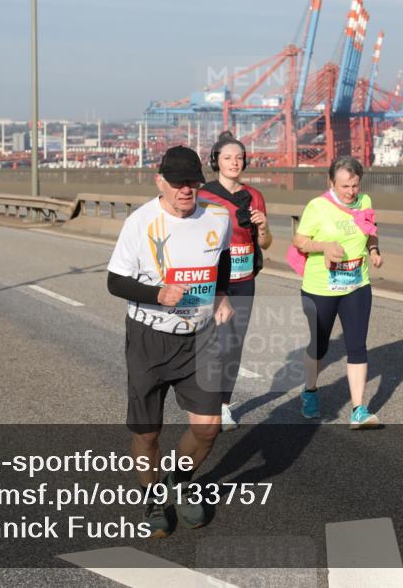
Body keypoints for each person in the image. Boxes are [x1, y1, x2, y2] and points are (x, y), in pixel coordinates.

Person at [106, 145, 234, 538]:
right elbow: (115, 281)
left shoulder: (218, 217)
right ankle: (153, 497)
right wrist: (157, 294)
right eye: (178, 182)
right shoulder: (140, 222)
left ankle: (177, 481)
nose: (186, 190)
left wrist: (223, 294)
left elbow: (222, 259)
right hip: (149, 337)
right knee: (147, 433)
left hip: (198, 336)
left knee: (208, 427)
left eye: (193, 182)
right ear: (159, 180)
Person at [291, 156, 383, 429]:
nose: (351, 191)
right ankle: (309, 391)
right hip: (321, 288)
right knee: (319, 346)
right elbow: (300, 240)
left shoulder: (364, 202)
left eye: (355, 185)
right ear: (331, 182)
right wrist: (324, 246)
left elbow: (371, 230)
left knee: (357, 346)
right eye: (345, 186)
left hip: (356, 285)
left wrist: (374, 250)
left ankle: (358, 410)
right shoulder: (318, 206)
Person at [197, 131, 271, 431]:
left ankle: (223, 406)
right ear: (216, 161)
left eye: (239, 157)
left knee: (233, 345)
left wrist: (263, 227)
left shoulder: (255, 196)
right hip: (214, 280)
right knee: (213, 342)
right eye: (227, 157)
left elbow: (265, 244)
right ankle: (204, 400)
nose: (234, 162)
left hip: (244, 279)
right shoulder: (203, 196)